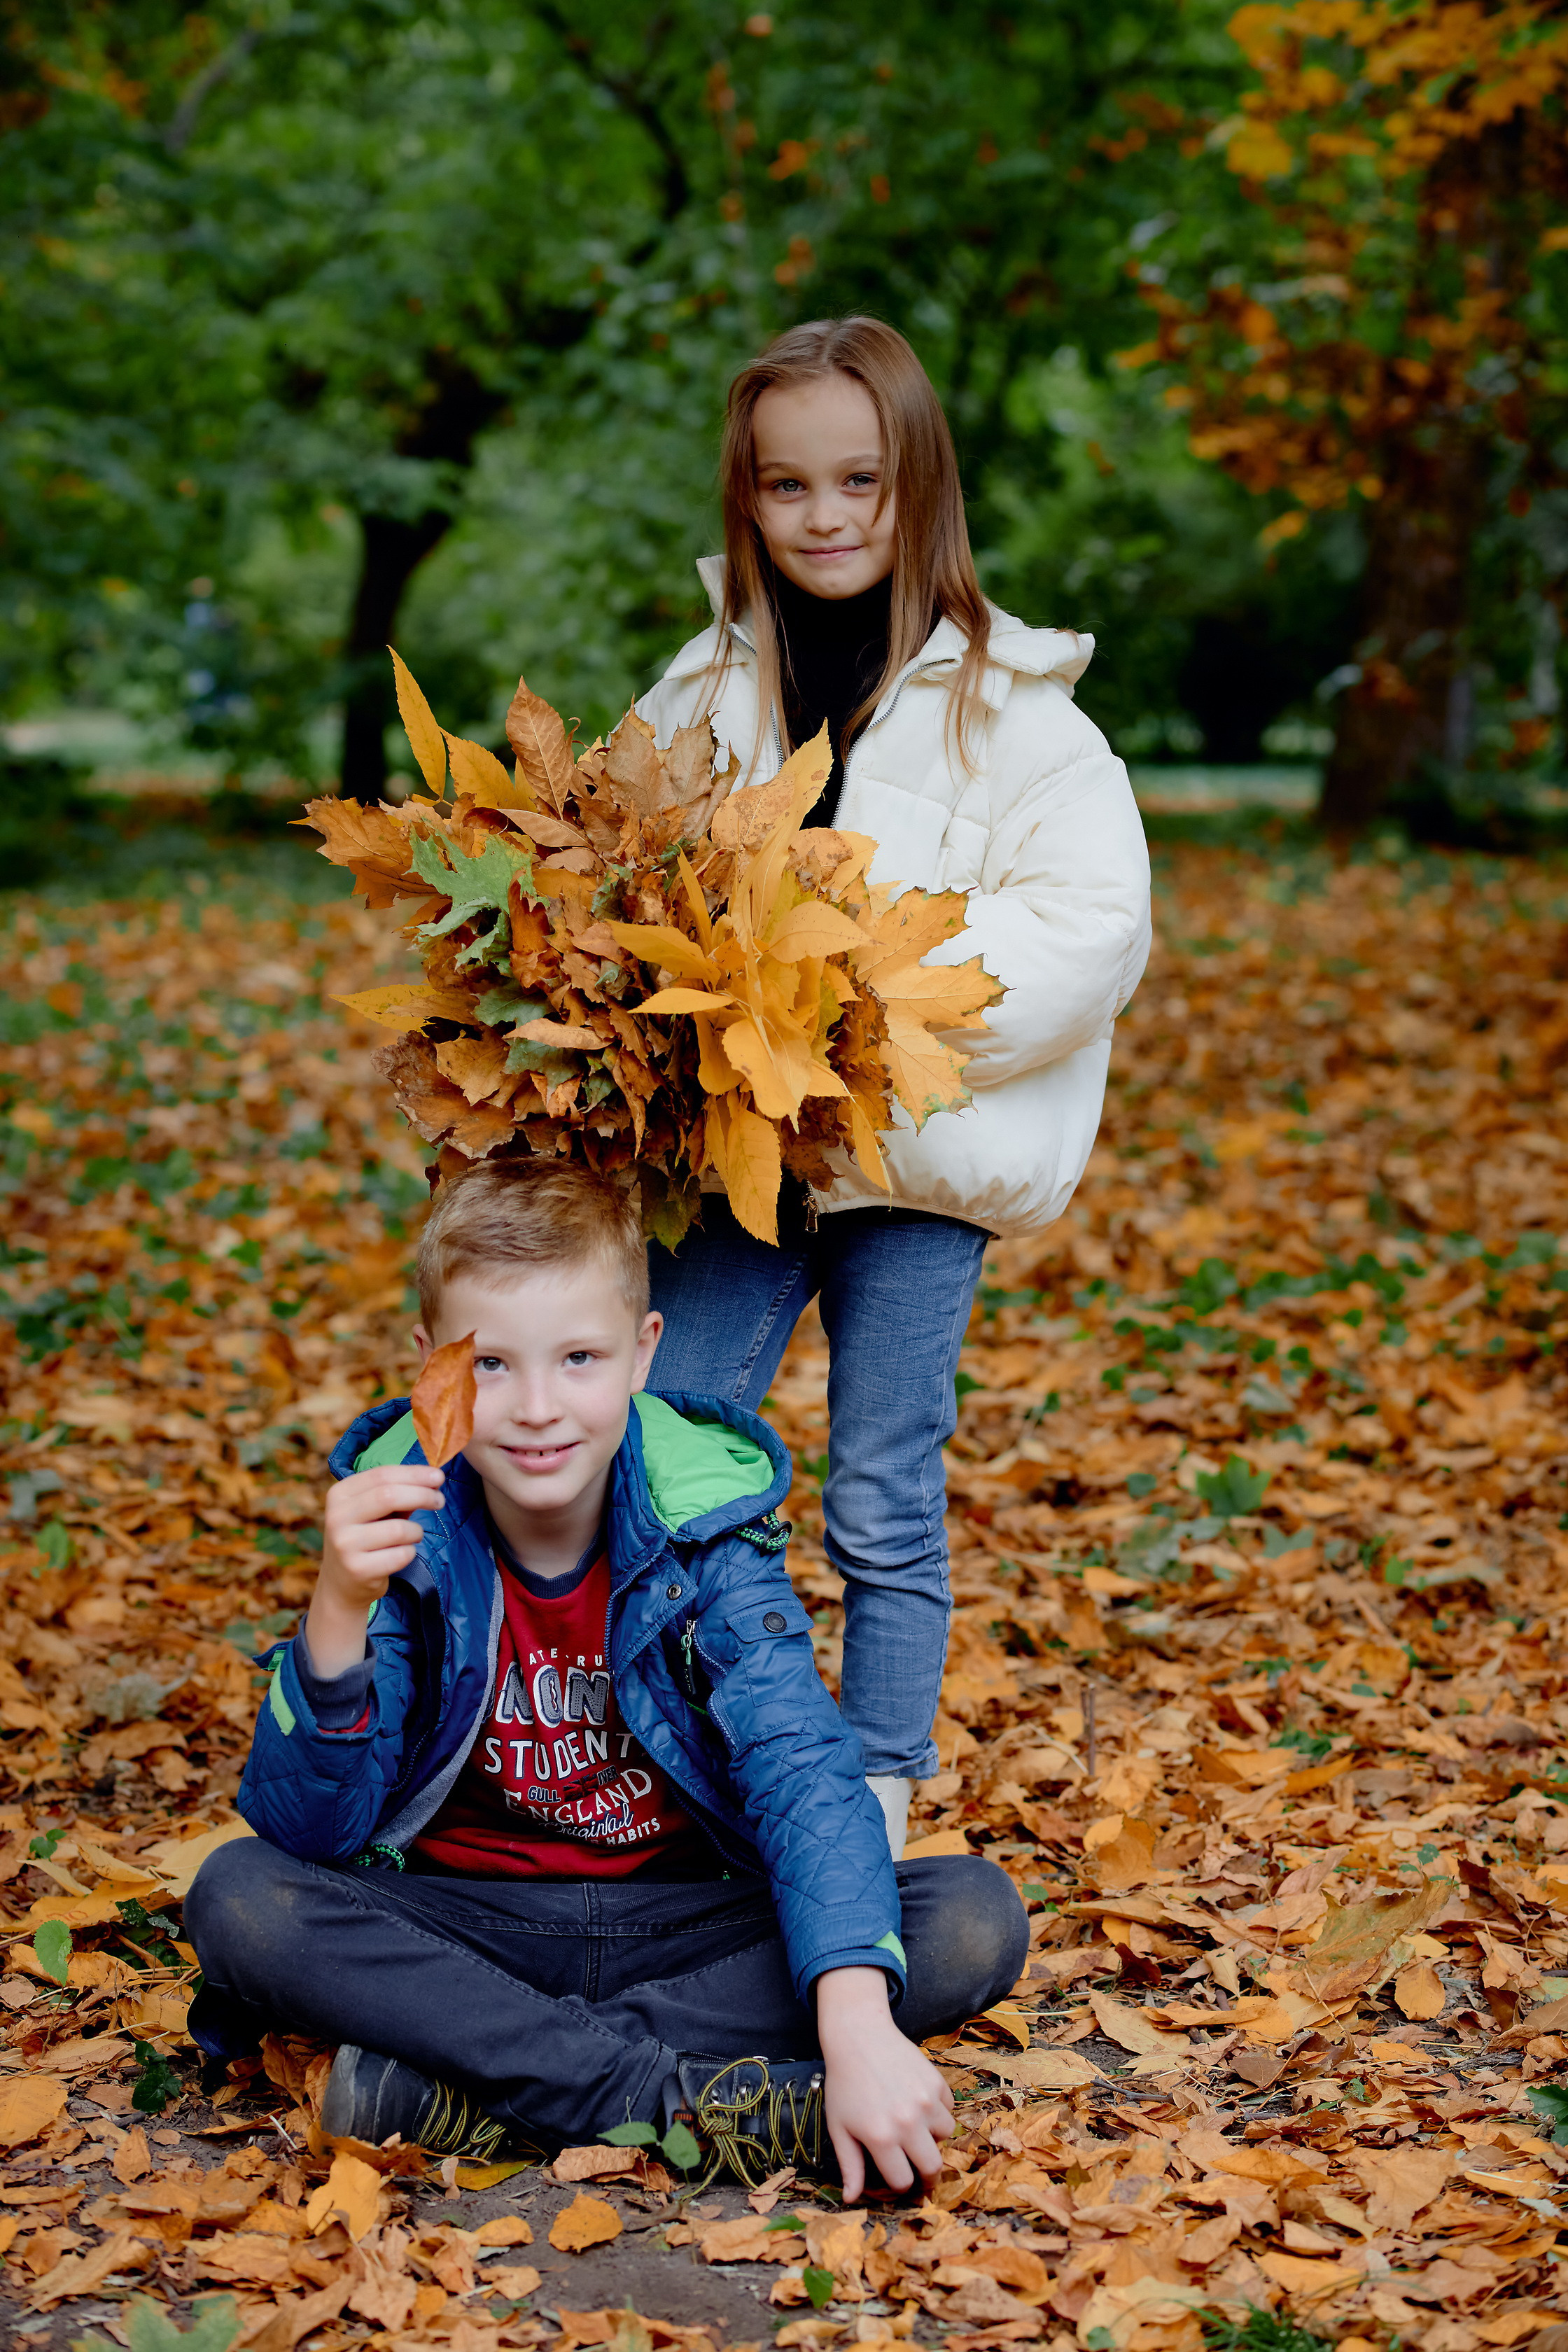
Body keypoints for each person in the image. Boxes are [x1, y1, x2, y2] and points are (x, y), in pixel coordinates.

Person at [184, 1160, 1026, 2196]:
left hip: (676, 1927)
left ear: (642, 1353)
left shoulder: (702, 1528)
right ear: (432, 1372)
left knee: (969, 1916)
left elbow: (802, 1770)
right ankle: (670, 2105)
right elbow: (312, 1832)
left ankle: (475, 2093)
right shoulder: (409, 1527)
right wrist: (336, 1610)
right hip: (471, 1925)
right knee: (239, 1897)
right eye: (491, 1365)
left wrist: (852, 2025)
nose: (539, 1408)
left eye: (579, 1358)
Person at [637, 316, 1152, 1856]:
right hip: (738, 1142)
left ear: (918, 482)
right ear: (747, 500)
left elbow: (1087, 934)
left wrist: (851, 992)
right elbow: (620, 871)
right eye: (786, 485)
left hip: (916, 1159)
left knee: (880, 1473)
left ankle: (872, 1788)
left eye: (859, 478)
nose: (826, 514)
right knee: (670, 1424)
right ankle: (684, 1742)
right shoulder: (696, 693)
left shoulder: (1022, 717)